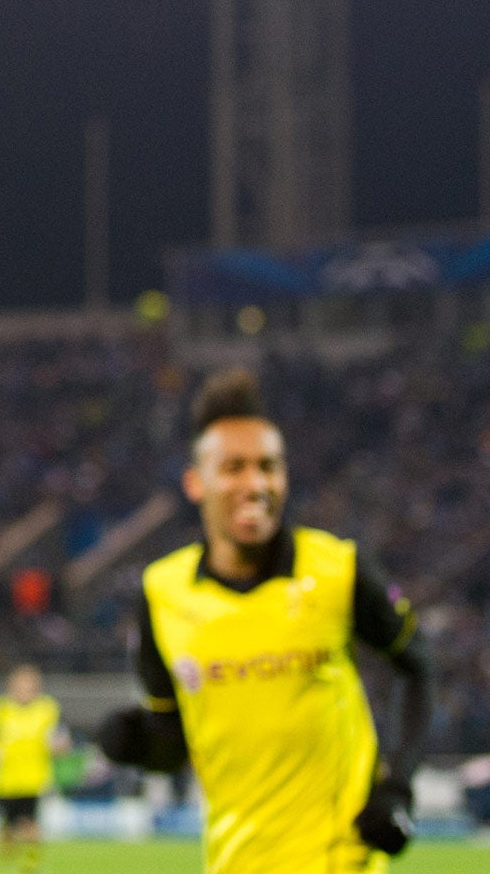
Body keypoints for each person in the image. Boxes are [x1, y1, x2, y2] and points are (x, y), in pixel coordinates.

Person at [99, 367, 434, 874]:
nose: (255, 483)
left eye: (268, 466)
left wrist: (398, 786)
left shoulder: (336, 570)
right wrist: (135, 743)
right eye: (233, 467)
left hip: (339, 860)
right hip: (233, 862)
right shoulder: (161, 594)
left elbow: (418, 666)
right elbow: (175, 740)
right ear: (196, 482)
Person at [0, 665, 66, 871]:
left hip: (33, 778)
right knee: (7, 830)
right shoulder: (0, 709)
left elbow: (60, 739)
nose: (24, 690)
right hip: (5, 779)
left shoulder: (48, 709)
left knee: (30, 824)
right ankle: (9, 858)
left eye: (28, 686)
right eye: (20, 686)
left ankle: (30, 865)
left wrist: (58, 746)